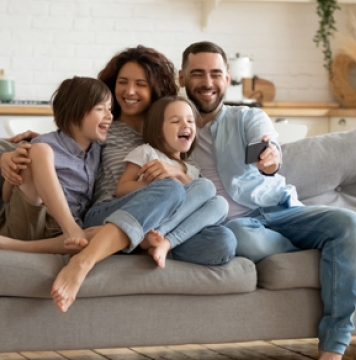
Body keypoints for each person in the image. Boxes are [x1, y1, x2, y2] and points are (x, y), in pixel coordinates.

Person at [0, 45, 237, 313]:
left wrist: (178, 172)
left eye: (140, 84)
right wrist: (9, 156)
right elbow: (66, 137)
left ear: (156, 89)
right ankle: (86, 259)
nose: (129, 91)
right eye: (122, 83)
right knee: (168, 189)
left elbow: (196, 190)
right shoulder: (106, 129)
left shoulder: (167, 132)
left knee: (223, 242)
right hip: (108, 212)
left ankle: (146, 240)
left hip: (158, 223)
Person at [174, 40, 356, 360]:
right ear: (182, 77)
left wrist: (270, 160)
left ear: (227, 76)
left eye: (216, 74)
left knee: (348, 221)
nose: (207, 82)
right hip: (236, 224)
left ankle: (334, 345)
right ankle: (318, 247)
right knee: (241, 236)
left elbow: (268, 148)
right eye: (198, 73)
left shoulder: (246, 117)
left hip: (281, 210)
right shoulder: (174, 125)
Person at [116, 95, 229, 268]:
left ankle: (165, 242)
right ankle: (154, 236)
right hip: (151, 217)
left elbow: (200, 199)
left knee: (220, 202)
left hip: (175, 227)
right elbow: (121, 189)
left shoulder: (192, 169)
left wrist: (178, 173)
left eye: (190, 121)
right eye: (176, 121)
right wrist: (154, 186)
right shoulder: (147, 152)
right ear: (158, 130)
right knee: (205, 186)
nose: (185, 125)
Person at [0, 76, 112, 243]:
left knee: (108, 233)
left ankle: (16, 246)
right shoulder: (42, 146)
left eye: (110, 109)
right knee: (40, 151)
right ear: (75, 112)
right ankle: (70, 228)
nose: (109, 116)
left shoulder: (98, 150)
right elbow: (7, 196)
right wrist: (15, 170)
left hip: (60, 233)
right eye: (100, 109)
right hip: (30, 222)